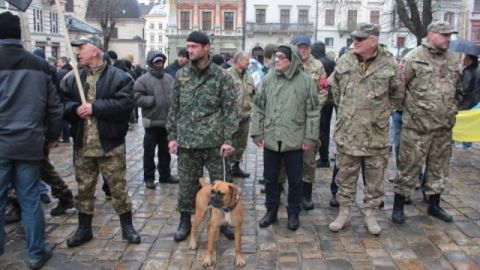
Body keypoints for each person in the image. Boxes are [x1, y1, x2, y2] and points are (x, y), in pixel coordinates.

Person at [63, 35, 141, 247]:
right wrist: (74, 109)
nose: (78, 53)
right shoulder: (73, 79)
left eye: (82, 49)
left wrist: (94, 107)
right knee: (84, 189)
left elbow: (125, 105)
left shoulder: (120, 78)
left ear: (95, 51)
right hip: (83, 146)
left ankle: (127, 227)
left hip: (110, 145)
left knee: (118, 188)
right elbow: (62, 104)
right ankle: (84, 229)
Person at [0, 11, 63, 269]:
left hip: (2, 144)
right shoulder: (39, 65)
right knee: (30, 199)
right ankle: (36, 253)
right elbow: (55, 108)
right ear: (20, 34)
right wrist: (50, 137)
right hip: (29, 142)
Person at [327, 23, 402, 235]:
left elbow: (397, 95)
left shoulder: (389, 64)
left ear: (374, 41)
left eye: (360, 39)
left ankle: (370, 214)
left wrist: (380, 114)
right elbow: (336, 90)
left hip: (375, 135)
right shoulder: (345, 60)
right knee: (346, 175)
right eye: (354, 38)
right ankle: (344, 213)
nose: (355, 42)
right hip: (348, 133)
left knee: (375, 178)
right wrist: (348, 112)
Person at [166, 31, 238, 242]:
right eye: (188, 47)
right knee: (188, 184)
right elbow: (174, 108)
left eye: (194, 47)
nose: (190, 51)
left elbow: (230, 110)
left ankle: (225, 219)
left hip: (215, 143)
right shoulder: (182, 75)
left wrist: (228, 139)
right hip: (187, 142)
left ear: (207, 48)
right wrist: (172, 136)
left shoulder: (221, 76)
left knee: (223, 183)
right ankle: (185, 220)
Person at [392, 21, 463, 224]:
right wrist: (410, 112)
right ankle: (398, 206)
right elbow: (399, 88)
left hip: (443, 128)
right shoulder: (414, 57)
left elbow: (458, 90)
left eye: (450, 35)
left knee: (439, 169)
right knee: (408, 168)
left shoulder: (452, 59)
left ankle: (434, 204)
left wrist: (452, 108)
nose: (448, 39)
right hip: (417, 128)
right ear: (431, 35)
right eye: (443, 35)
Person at [250, 44, 320, 231]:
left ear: (292, 60)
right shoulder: (268, 79)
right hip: (272, 137)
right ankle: (271, 211)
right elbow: (258, 106)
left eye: (282, 57)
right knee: (271, 178)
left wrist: (310, 138)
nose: (277, 60)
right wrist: (257, 132)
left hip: (295, 140)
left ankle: (293, 213)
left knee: (295, 180)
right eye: (276, 57)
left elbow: (313, 112)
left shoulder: (305, 81)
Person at [292, 35, 327, 210]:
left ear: (310, 48)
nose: (302, 50)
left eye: (305, 47)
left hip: (311, 121)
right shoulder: (291, 65)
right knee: (289, 156)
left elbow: (323, 90)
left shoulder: (318, 66)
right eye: (299, 47)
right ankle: (292, 191)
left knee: (309, 158)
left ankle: (307, 194)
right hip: (292, 119)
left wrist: (313, 109)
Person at [134, 50, 178, 189]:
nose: (159, 64)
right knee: (149, 152)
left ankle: (165, 175)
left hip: (167, 122)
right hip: (151, 122)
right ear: (151, 63)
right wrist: (153, 100)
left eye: (161, 61)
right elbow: (136, 98)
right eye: (156, 62)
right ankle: (149, 178)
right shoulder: (142, 80)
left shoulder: (169, 78)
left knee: (165, 152)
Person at [227, 51, 255, 178]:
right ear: (238, 61)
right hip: (231, 118)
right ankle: (227, 168)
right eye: (246, 60)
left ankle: (236, 167)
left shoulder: (248, 76)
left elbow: (253, 93)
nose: (249, 62)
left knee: (241, 144)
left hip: (245, 117)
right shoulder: (227, 75)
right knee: (230, 144)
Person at [311, 41, 336, 168]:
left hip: (322, 100)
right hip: (330, 100)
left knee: (321, 130)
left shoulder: (319, 63)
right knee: (325, 129)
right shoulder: (331, 61)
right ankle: (324, 156)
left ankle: (324, 158)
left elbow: (322, 83)